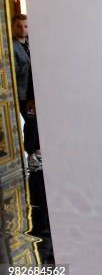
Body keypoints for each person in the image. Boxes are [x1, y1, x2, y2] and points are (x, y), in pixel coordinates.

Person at [12, 13, 42, 169]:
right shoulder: (12, 47)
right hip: (24, 94)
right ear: (13, 27)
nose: (23, 29)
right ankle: (30, 154)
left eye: (26, 26)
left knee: (38, 121)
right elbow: (12, 70)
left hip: (36, 92)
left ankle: (37, 151)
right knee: (31, 121)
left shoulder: (30, 43)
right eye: (19, 26)